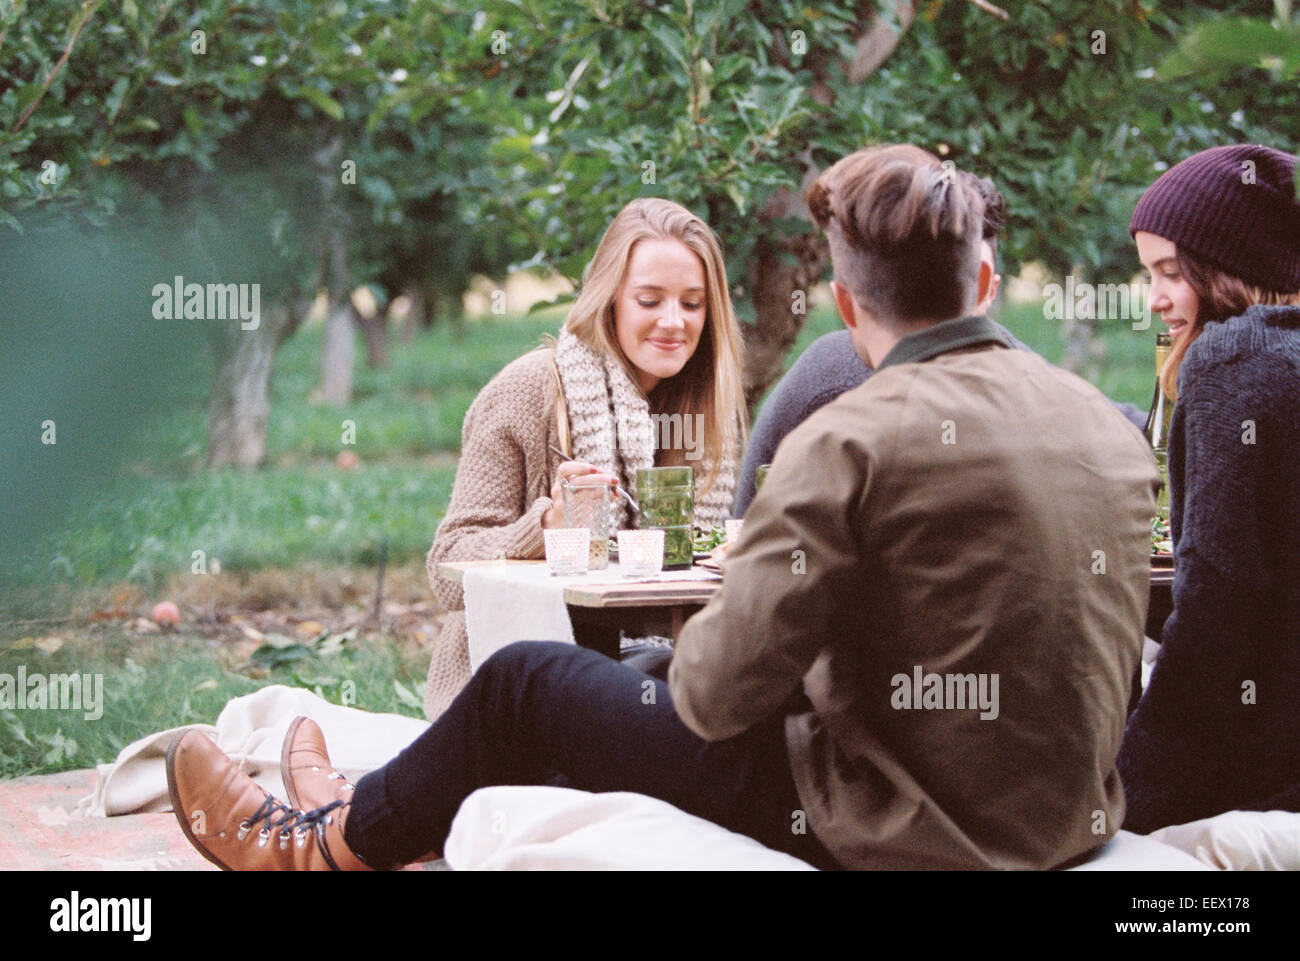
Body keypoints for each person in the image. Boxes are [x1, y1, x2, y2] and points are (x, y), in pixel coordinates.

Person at [163, 144, 1159, 871]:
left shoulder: (849, 438)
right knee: (620, 679)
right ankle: (397, 810)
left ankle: (309, 854)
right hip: (1067, 814)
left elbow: (717, 699)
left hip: (893, 816)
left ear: (848, 308)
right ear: (985, 279)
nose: (672, 323)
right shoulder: (1108, 424)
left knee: (525, 687)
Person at [421, 197, 746, 719]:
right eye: (649, 300)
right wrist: (548, 526)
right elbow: (446, 568)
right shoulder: (529, 391)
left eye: (692, 303)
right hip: (522, 676)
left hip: (658, 664)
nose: (673, 322)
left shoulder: (709, 414)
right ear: (609, 299)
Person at [733, 174, 1146, 515]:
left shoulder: (1040, 389)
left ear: (987, 284)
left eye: (963, 276)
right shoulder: (831, 377)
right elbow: (749, 526)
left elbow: (1147, 434)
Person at [1117, 143, 1300, 833]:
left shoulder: (1236, 358)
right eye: (1147, 274)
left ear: (1233, 268)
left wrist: (1118, 798)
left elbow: (1218, 620)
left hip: (1263, 781)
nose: (1156, 299)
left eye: (1171, 271)